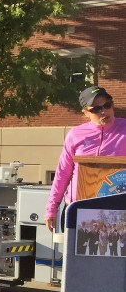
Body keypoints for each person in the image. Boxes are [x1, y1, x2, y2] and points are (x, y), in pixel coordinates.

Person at [45, 86, 126, 232]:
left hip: (116, 211)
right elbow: (62, 173)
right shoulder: (75, 134)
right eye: (96, 109)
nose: (103, 111)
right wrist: (52, 208)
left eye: (107, 105)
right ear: (86, 112)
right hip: (77, 208)